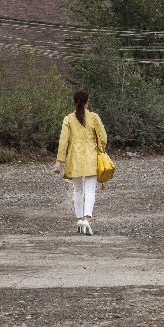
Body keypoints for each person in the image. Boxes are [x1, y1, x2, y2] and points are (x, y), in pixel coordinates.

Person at [53, 90, 108, 235]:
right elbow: (103, 137)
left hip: (74, 157)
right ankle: (87, 220)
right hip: (90, 156)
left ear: (74, 103)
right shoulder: (93, 117)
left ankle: (79, 219)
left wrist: (59, 161)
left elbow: (63, 141)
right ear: (87, 102)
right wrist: (100, 148)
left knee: (77, 190)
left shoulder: (68, 119)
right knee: (90, 189)